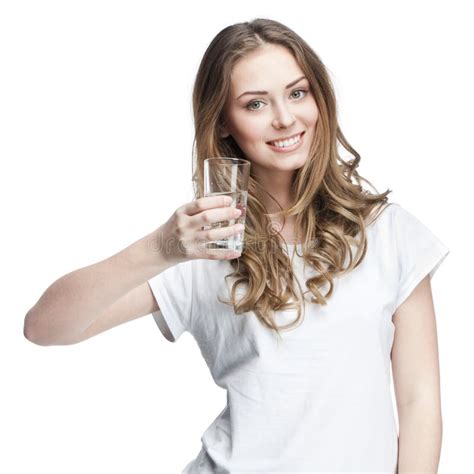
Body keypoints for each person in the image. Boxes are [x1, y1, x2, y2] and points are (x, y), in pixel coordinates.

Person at [24, 18, 450, 473]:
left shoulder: (387, 233)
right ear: (224, 122)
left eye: (297, 92)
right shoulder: (203, 243)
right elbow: (46, 328)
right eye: (255, 104)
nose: (285, 118)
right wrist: (161, 247)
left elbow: (419, 400)